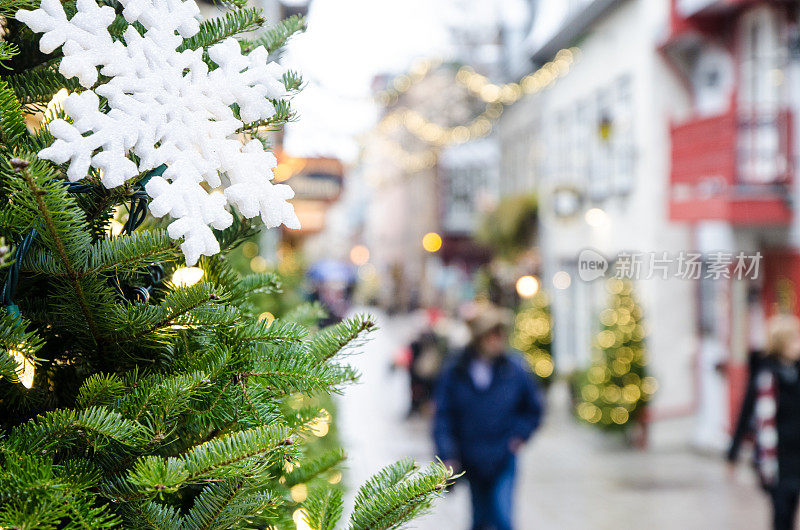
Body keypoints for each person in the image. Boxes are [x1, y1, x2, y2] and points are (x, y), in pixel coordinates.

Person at [433, 301, 543, 530]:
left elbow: (534, 409)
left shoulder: (514, 369)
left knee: (503, 517)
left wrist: (518, 437)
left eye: (499, 334)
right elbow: (443, 416)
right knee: (479, 519)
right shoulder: (456, 371)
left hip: (503, 454)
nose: (496, 340)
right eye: (490, 335)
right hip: (470, 458)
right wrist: (447, 455)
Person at [728, 313, 800, 530]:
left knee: (792, 511)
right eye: (795, 339)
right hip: (774, 457)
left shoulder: (796, 373)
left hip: (797, 454)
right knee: (781, 511)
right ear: (782, 344)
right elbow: (746, 413)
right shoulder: (765, 376)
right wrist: (732, 453)